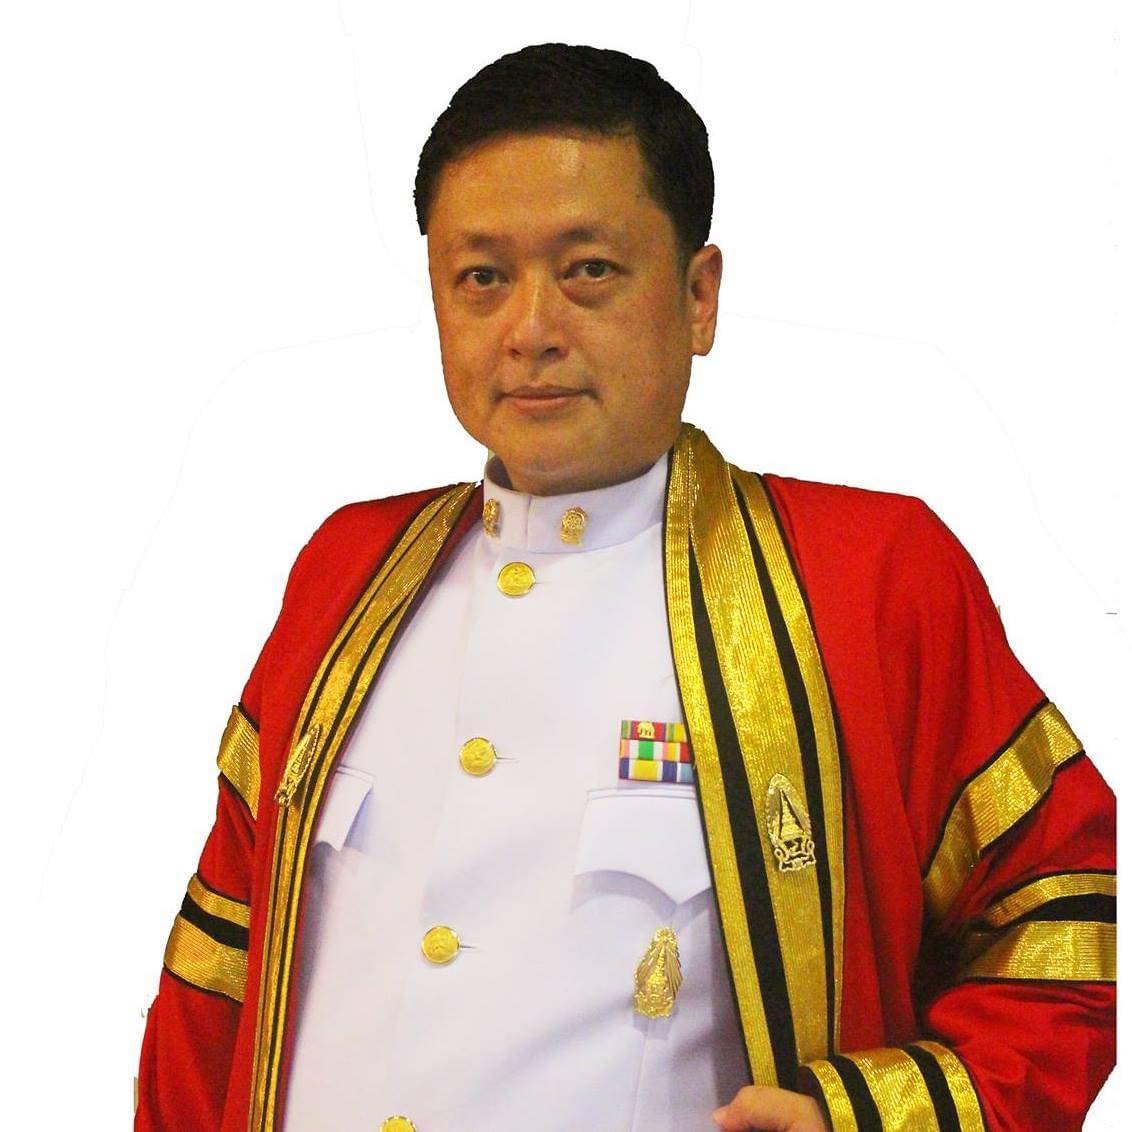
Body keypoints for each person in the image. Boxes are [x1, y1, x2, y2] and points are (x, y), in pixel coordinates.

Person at [134, 43, 1115, 1132]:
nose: (530, 331)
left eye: (589, 269)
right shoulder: (342, 571)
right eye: (481, 277)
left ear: (698, 297)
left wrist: (868, 1115)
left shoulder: (871, 576)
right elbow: (217, 978)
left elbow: (1062, 921)